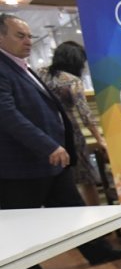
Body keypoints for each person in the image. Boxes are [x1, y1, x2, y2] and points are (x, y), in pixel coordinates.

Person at [0, 13, 121, 269]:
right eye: (20, 36)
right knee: (22, 219)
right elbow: (7, 115)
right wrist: (47, 145)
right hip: (23, 163)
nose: (28, 41)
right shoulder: (3, 69)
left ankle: (97, 251)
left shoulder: (23, 67)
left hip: (50, 160)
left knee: (73, 207)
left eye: (29, 36)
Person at [39, 41, 107, 206]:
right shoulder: (72, 80)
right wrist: (100, 139)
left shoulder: (40, 74)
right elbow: (85, 113)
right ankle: (95, 215)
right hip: (70, 131)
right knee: (86, 178)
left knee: (60, 180)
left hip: (45, 132)